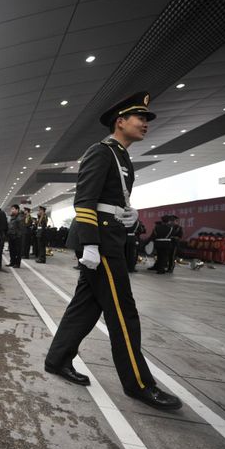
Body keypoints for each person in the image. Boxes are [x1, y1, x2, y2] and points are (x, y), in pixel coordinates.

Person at [44, 91, 181, 411]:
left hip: (111, 235)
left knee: (87, 306)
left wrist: (127, 212)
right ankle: (139, 383)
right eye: (140, 118)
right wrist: (90, 242)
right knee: (123, 312)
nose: (145, 123)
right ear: (120, 121)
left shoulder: (121, 156)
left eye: (146, 119)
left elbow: (112, 197)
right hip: (102, 241)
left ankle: (57, 359)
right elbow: (85, 199)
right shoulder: (102, 151)